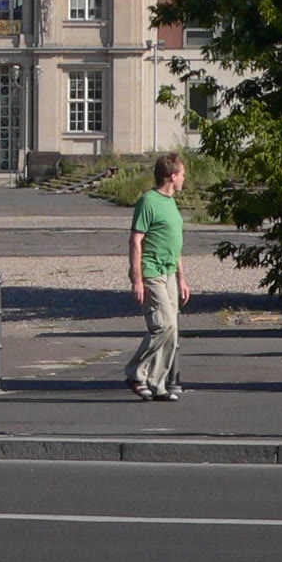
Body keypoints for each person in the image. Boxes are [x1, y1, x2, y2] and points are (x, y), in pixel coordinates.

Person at [125, 152, 188, 402]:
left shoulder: (171, 203)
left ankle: (157, 383)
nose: (184, 179)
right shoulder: (148, 202)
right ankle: (135, 373)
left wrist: (182, 278)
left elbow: (175, 244)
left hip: (170, 272)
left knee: (172, 332)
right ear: (171, 176)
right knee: (164, 325)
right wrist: (137, 279)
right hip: (152, 272)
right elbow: (135, 241)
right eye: (182, 175)